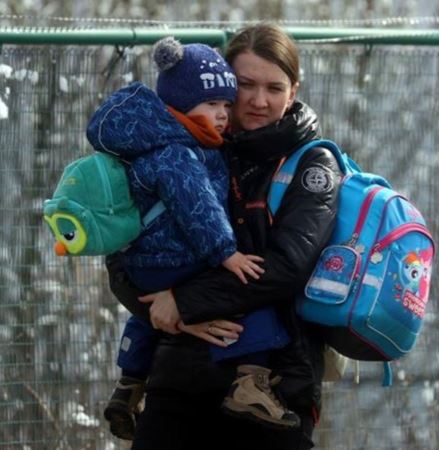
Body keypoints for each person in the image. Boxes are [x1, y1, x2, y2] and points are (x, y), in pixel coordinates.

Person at [105, 23, 341, 450]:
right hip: (177, 375)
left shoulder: (314, 165)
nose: (258, 100)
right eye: (245, 84)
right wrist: (165, 313)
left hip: (273, 389)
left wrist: (184, 302)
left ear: (294, 90)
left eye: (274, 87)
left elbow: (286, 268)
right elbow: (122, 254)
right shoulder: (179, 150)